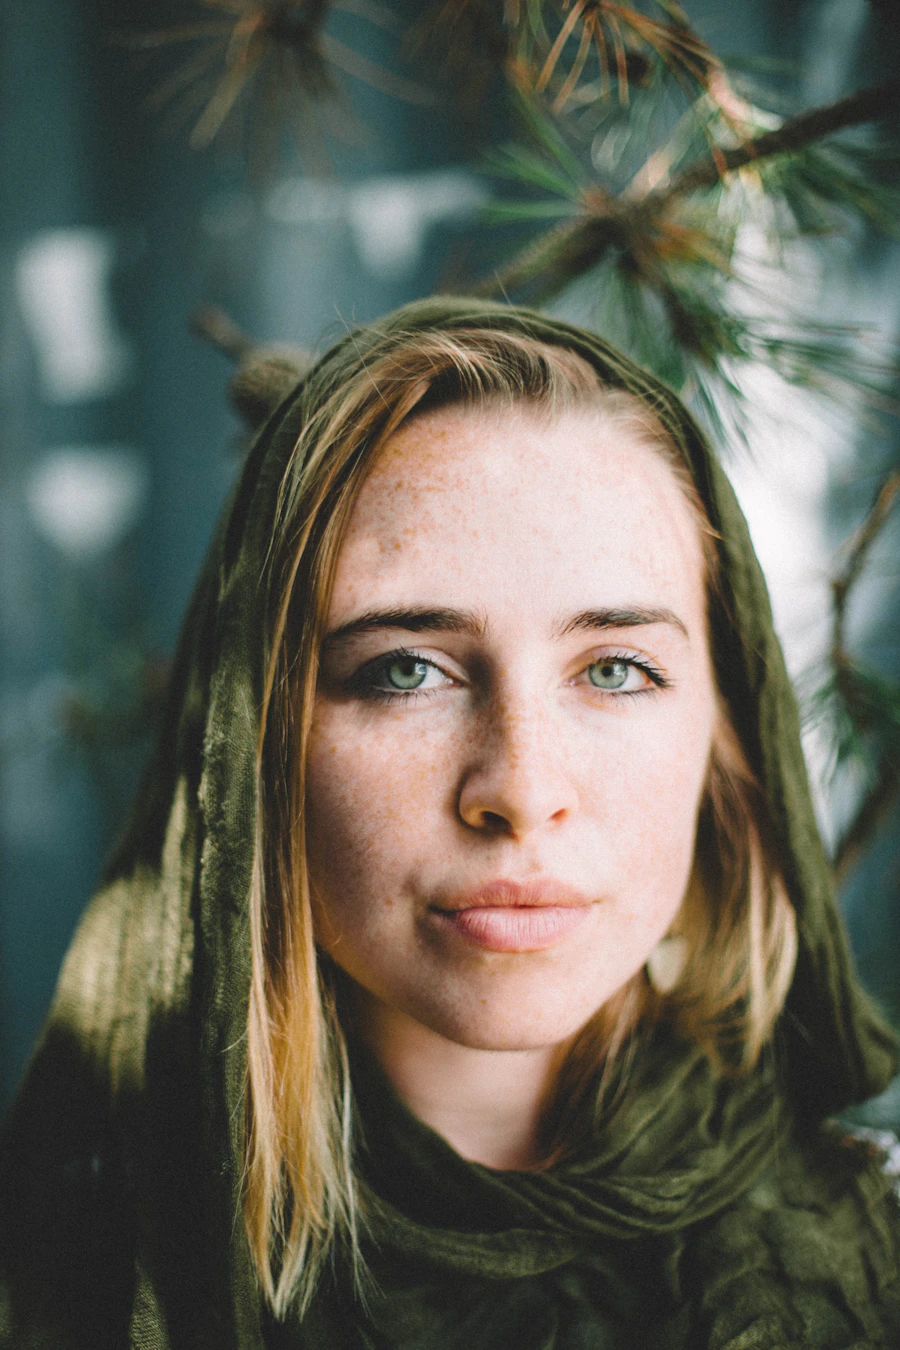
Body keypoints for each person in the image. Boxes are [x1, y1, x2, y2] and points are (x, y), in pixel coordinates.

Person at [2, 298, 899, 1350]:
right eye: (403, 670)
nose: (519, 789)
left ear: (726, 742)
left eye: (615, 669)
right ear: (252, 750)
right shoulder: (63, 1283)